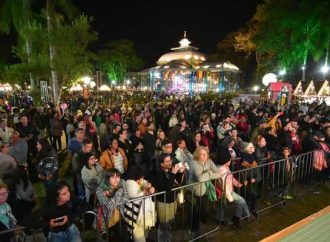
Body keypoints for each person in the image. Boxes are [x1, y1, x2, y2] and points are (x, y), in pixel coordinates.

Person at [21, 181, 88, 242]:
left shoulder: (71, 198)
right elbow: (25, 221)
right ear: (57, 197)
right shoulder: (48, 208)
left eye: (68, 191)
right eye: (64, 194)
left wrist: (70, 217)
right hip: (55, 235)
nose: (68, 194)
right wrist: (48, 223)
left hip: (71, 229)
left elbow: (87, 206)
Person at [188, 146, 220, 238]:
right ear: (197, 154)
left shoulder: (209, 161)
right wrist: (209, 173)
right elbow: (200, 178)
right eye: (202, 154)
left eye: (206, 154)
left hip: (204, 191)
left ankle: (200, 227)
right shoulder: (193, 163)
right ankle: (193, 231)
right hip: (194, 192)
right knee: (194, 213)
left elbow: (218, 173)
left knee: (204, 210)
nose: (204, 156)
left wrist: (207, 173)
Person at [155, 153, 185, 242]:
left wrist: (181, 172)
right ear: (162, 164)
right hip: (163, 203)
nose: (170, 162)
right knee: (163, 226)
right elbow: (167, 188)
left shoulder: (170, 171)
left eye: (170, 160)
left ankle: (168, 240)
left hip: (172, 201)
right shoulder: (159, 174)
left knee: (169, 224)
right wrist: (173, 173)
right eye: (167, 161)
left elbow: (178, 182)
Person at [218, 149, 251, 228]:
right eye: (229, 160)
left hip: (228, 191)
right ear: (226, 160)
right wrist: (229, 197)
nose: (231, 161)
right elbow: (223, 184)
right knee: (240, 201)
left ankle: (235, 218)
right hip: (225, 192)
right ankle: (245, 215)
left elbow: (230, 177)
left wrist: (236, 183)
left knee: (223, 205)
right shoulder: (221, 170)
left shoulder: (226, 167)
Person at [96, 168, 130, 241]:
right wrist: (120, 191)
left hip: (119, 218)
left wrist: (115, 195)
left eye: (118, 176)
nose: (116, 179)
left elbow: (126, 198)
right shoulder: (100, 189)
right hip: (105, 221)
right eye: (113, 177)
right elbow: (109, 206)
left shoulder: (122, 182)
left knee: (125, 239)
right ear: (107, 178)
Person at [125, 166, 156, 242]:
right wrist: (145, 191)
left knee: (143, 233)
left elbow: (146, 184)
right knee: (138, 236)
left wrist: (149, 188)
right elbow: (134, 198)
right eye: (141, 175)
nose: (143, 177)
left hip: (142, 213)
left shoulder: (139, 180)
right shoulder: (129, 182)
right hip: (134, 213)